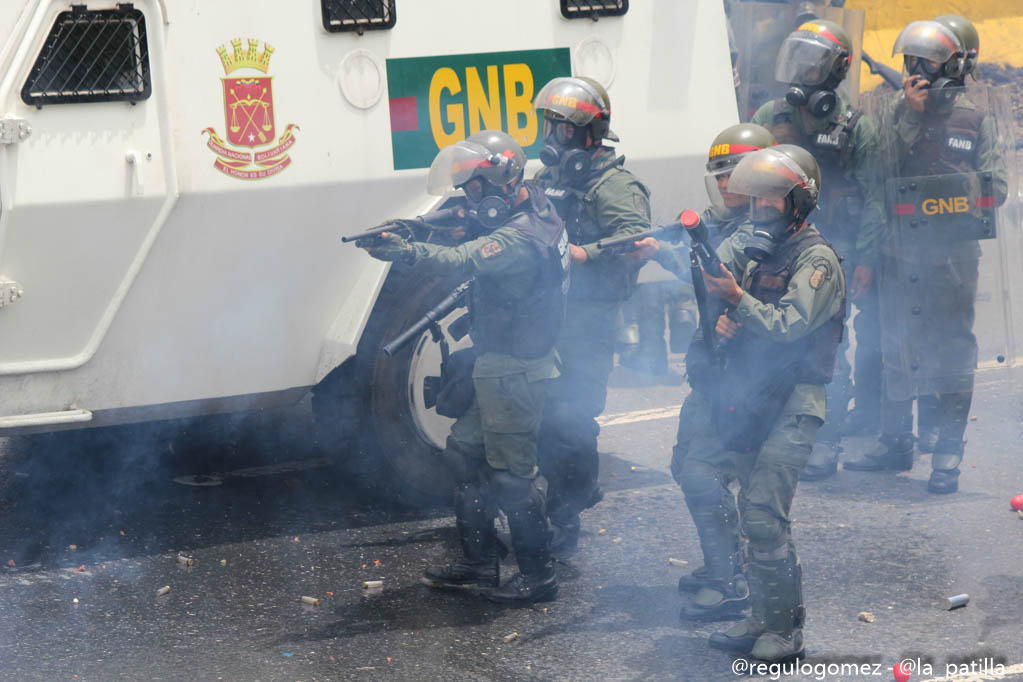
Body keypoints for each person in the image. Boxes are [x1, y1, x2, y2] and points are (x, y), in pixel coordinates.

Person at [358, 130, 570, 603]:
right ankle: (479, 565)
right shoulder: (534, 203)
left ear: (503, 181)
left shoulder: (519, 237)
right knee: (463, 452)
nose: (468, 198)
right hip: (502, 363)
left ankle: (538, 578)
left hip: (516, 372)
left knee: (513, 479)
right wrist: (423, 225)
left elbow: (461, 258)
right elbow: (470, 227)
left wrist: (408, 249)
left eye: (476, 188)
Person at [679, 144, 846, 662]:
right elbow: (716, 290)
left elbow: (789, 324)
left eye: (771, 201)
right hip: (752, 396)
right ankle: (762, 617)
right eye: (754, 201)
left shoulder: (816, 260)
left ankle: (787, 631)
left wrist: (737, 302)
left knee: (764, 517)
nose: (760, 210)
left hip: (795, 399)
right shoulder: (753, 248)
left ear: (798, 202)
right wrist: (721, 311)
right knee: (752, 512)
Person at [843, 16, 1007, 494]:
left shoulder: (976, 118)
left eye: (926, 64)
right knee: (896, 346)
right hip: (900, 254)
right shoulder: (891, 113)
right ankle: (896, 442)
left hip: (953, 257)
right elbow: (879, 171)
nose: (917, 72)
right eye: (911, 63)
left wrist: (945, 194)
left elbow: (994, 188)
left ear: (949, 67)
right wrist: (911, 116)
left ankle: (948, 451)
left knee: (952, 346)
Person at [632, 123, 777, 622]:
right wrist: (660, 247)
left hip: (745, 375)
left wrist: (669, 253)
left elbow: (721, 277)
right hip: (714, 370)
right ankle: (725, 564)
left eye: (732, 171)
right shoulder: (729, 220)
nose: (723, 182)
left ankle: (734, 579)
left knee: (704, 473)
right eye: (717, 172)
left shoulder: (767, 229)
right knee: (685, 465)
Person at [750, 19, 885, 480]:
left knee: (827, 347)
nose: (802, 72)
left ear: (835, 71)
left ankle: (826, 441)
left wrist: (865, 260)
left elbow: (875, 201)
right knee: (767, 336)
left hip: (836, 251)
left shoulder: (856, 128)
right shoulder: (770, 117)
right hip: (777, 244)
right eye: (798, 59)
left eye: (813, 63)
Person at [530, 76, 652, 554]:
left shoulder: (614, 186)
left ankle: (568, 514)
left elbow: (639, 244)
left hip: (590, 320)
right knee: (541, 414)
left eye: (560, 129)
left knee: (574, 417)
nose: (549, 138)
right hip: (547, 315)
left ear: (587, 135)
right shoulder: (548, 181)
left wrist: (586, 254)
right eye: (547, 126)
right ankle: (556, 499)